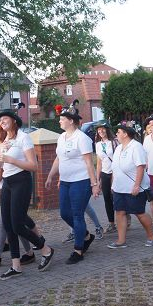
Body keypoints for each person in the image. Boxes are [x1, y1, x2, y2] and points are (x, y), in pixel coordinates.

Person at [0, 110, 54, 279]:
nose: (2, 121)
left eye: (5, 118)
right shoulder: (4, 140)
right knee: (7, 224)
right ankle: (16, 266)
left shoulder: (23, 138)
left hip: (21, 181)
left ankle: (45, 249)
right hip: (7, 183)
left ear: (14, 120)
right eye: (0, 120)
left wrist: (12, 160)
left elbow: (33, 166)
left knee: (17, 224)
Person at [45, 104, 100, 265]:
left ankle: (78, 250)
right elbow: (58, 158)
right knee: (65, 213)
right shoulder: (61, 137)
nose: (59, 121)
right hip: (66, 181)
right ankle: (86, 236)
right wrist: (51, 176)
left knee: (77, 214)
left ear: (70, 121)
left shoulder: (82, 138)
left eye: (62, 119)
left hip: (81, 181)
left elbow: (89, 163)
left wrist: (94, 184)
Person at [106, 123, 153, 248]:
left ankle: (151, 236)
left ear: (125, 134)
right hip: (119, 188)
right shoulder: (119, 148)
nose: (116, 134)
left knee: (139, 213)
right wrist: (113, 185)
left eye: (118, 132)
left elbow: (140, 167)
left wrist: (136, 185)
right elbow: (115, 168)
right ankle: (121, 240)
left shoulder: (136, 147)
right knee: (120, 212)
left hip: (134, 188)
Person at [0, 167, 38, 266]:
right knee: (16, 224)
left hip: (11, 191)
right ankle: (30, 252)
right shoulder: (1, 159)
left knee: (9, 224)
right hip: (7, 191)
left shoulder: (3, 158)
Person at [94, 121, 117, 234]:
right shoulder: (98, 144)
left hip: (115, 173)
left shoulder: (114, 142)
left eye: (103, 129)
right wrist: (98, 179)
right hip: (105, 173)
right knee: (107, 199)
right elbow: (99, 162)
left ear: (107, 129)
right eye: (99, 129)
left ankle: (125, 217)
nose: (101, 131)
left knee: (117, 197)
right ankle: (111, 223)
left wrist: (114, 175)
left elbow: (118, 159)